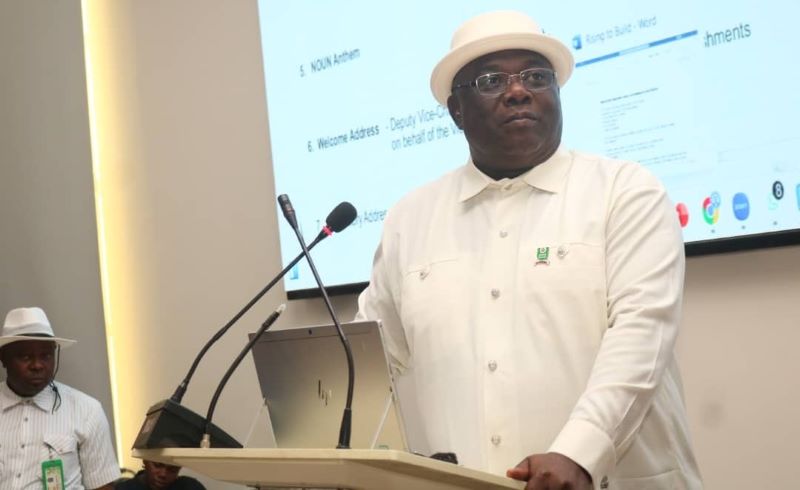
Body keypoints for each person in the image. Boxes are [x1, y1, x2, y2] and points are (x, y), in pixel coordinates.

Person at [356, 10, 702, 490]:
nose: (518, 91)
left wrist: (579, 452)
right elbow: (367, 360)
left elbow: (642, 335)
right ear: (456, 110)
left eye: (536, 77)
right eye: (492, 80)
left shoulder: (625, 191)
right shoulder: (410, 219)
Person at [0, 306, 120, 489]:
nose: (37, 365)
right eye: (25, 357)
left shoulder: (87, 411)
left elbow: (102, 486)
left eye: (46, 356)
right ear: (3, 358)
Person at [115, 460, 205, 490]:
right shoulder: (123, 489)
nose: (163, 474)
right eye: (157, 465)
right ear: (145, 460)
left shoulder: (190, 487)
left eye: (172, 469)